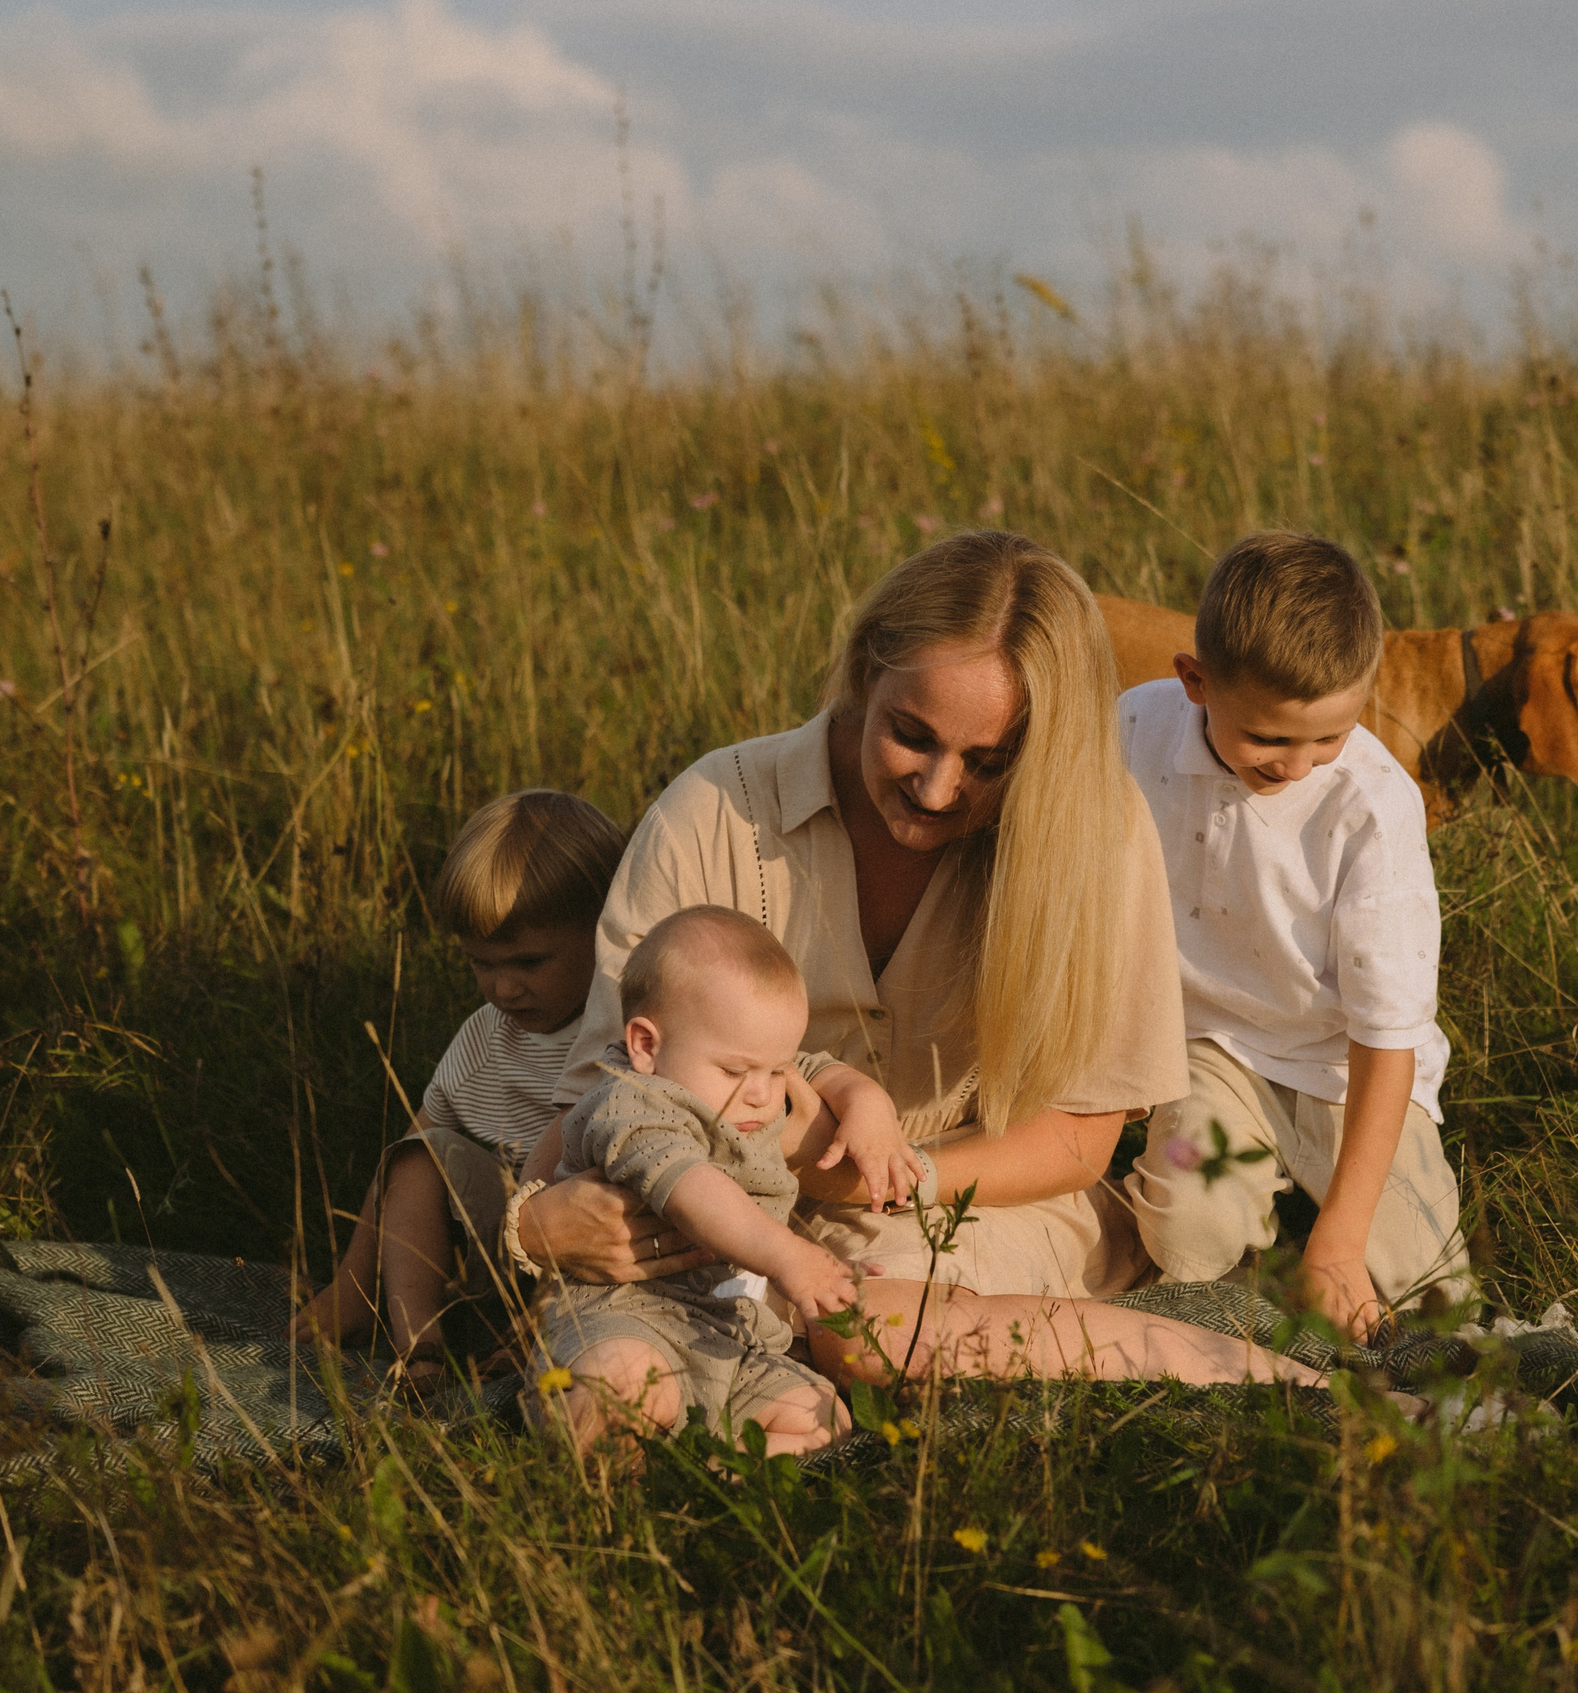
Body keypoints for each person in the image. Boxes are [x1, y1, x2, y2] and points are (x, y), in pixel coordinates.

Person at [517, 531, 1331, 1391]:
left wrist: (887, 1178)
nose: (939, 790)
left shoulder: (1096, 831)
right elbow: (600, 1093)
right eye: (912, 735)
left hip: (975, 1202)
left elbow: (1079, 1138)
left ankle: (1288, 1387)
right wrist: (534, 1230)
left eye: (989, 763)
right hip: (710, 1209)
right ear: (867, 670)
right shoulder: (713, 812)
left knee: (865, 1327)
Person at [1117, 532, 1474, 1340]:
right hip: (1206, 1051)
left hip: (1346, 1071)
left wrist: (1344, 1239)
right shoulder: (1133, 730)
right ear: (1195, 681)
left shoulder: (1374, 806)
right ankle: (1254, 1238)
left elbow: (1388, 1037)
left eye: (1329, 736)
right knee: (1184, 1238)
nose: (1297, 766)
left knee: (1426, 1293)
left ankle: (1323, 1230)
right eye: (1270, 740)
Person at [528, 906, 922, 1457]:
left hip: (733, 1334)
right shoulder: (632, 1103)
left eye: (775, 1070)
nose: (764, 1093)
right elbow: (693, 1190)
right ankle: (615, 1482)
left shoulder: (747, 1077)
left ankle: (708, 1472)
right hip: (625, 1318)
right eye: (738, 1072)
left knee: (821, 1416)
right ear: (647, 1046)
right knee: (617, 1388)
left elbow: (814, 1067)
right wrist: (790, 1256)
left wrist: (865, 1099)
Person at [293, 789, 625, 1379]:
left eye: (527, 963)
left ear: (604, 931)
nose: (502, 989)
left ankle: (545, 1340)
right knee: (418, 1159)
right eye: (481, 964)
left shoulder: (630, 1031)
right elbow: (405, 1158)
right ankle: (417, 1344)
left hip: (597, 1259)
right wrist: (350, 1278)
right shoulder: (485, 1039)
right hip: (495, 1253)